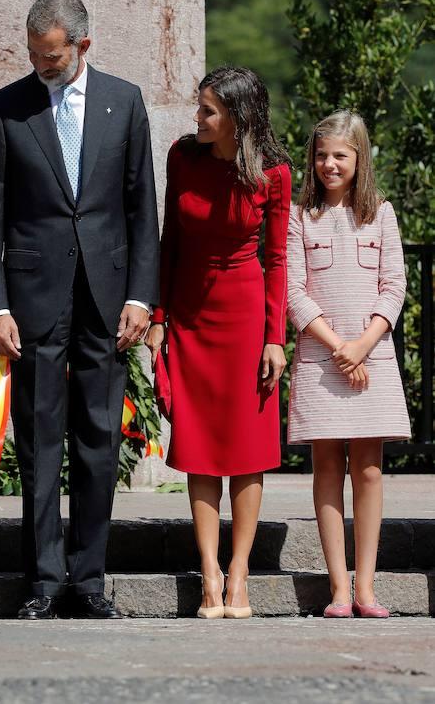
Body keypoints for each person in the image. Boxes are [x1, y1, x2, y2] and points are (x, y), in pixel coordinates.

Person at [0, 0, 159, 620]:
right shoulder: (6, 107)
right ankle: (45, 582)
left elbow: (141, 207)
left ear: (83, 44)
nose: (39, 65)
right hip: (31, 301)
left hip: (107, 300)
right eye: (32, 54)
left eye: (50, 56)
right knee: (38, 440)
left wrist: (141, 297)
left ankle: (90, 580)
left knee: (99, 438)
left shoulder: (124, 101)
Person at [146, 66, 291, 619]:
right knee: (200, 447)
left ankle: (239, 575)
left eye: (208, 110)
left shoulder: (274, 171)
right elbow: (170, 241)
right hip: (189, 318)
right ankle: (209, 573)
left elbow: (277, 259)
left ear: (237, 116)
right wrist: (159, 317)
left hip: (246, 317)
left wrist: (274, 339)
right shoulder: (183, 157)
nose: (197, 117)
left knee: (248, 451)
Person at [287, 110, 410, 619]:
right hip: (321, 360)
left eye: (340, 155)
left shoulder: (381, 213)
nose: (329, 164)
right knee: (326, 467)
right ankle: (339, 588)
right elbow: (293, 292)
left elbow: (394, 286)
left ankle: (366, 588)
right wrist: (341, 347)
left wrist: (363, 345)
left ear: (359, 158)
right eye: (321, 155)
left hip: (371, 358)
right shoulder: (299, 216)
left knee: (369, 469)